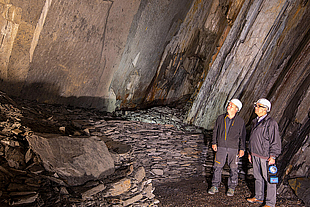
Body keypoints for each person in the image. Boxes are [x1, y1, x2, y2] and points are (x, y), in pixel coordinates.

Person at [247, 98, 281, 207]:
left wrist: (273, 156)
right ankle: (259, 197)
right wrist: (250, 152)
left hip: (266, 156)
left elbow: (275, 140)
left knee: (270, 179)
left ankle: (270, 203)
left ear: (266, 109)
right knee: (258, 176)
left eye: (258, 106)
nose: (256, 108)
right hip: (255, 154)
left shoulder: (271, 123)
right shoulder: (255, 121)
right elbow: (252, 138)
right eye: (256, 105)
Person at [208, 99, 246, 196]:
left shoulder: (240, 121)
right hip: (221, 147)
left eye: (231, 105)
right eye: (229, 104)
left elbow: (242, 136)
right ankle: (215, 185)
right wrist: (214, 142)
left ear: (236, 109)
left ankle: (231, 187)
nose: (229, 106)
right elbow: (215, 131)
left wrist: (242, 148)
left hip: (233, 148)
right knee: (217, 167)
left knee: (233, 168)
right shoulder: (221, 118)